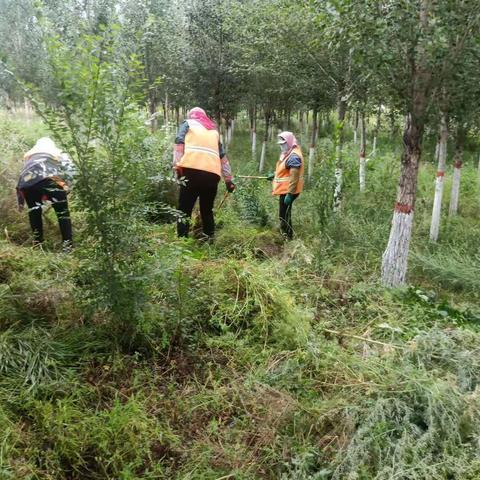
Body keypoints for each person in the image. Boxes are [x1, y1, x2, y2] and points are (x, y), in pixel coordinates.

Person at [173, 107, 235, 239]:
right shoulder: (213, 131)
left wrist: (177, 165)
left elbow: (179, 142)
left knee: (184, 209)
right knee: (207, 210)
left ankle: (182, 240)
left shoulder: (188, 123)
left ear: (191, 115)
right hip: (212, 176)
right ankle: (209, 239)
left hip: (191, 171)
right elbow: (222, 157)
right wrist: (228, 180)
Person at [16, 137, 73, 251]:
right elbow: (70, 169)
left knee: (34, 211)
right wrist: (68, 186)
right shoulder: (58, 152)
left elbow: (26, 172)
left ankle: (38, 244)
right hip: (52, 181)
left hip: (29, 184)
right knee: (62, 214)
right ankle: (67, 247)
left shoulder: (30, 155)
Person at [270, 131, 304, 240]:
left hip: (289, 191)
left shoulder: (294, 156)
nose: (281, 146)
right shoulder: (289, 153)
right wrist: (274, 176)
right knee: (284, 213)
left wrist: (290, 193)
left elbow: (294, 177)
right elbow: (285, 171)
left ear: (289, 142)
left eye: (283, 144)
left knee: (284, 215)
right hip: (286, 190)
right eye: (280, 144)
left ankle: (288, 237)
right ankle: (286, 234)